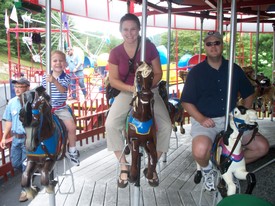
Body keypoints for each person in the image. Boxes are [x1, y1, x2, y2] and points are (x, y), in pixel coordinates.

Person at [180, 31, 270, 191]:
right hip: (206, 120)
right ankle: (208, 171)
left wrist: (242, 113)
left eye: (217, 43)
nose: (213, 46)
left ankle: (228, 166)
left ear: (222, 45)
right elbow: (186, 101)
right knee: (200, 151)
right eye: (209, 44)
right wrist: (201, 119)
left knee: (262, 147)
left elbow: (249, 93)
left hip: (231, 120)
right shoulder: (196, 72)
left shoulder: (233, 69)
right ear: (205, 47)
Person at [105, 13, 172, 188]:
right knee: (110, 124)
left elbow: (158, 72)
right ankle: (123, 164)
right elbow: (113, 79)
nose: (130, 33)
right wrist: (132, 89)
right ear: (121, 31)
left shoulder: (148, 48)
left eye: (133, 29)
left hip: (150, 92)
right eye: (126, 29)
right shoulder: (115, 52)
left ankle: (153, 164)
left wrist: (146, 88)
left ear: (139, 29)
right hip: (127, 92)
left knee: (166, 126)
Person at [42, 50, 80, 166]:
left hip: (60, 108)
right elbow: (42, 91)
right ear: (50, 63)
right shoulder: (45, 77)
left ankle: (72, 151)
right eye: (55, 60)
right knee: (33, 125)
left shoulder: (66, 77)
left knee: (72, 127)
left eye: (61, 61)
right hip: (47, 107)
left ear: (65, 63)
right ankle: (31, 150)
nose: (58, 63)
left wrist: (53, 81)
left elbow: (63, 90)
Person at [0, 78, 30, 202]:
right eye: (16, 87)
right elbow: (8, 121)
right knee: (15, 163)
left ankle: (26, 189)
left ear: (27, 88)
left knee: (24, 167)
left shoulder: (32, 102)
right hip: (16, 139)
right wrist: (4, 137)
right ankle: (30, 175)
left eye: (20, 86)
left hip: (28, 139)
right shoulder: (12, 102)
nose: (17, 89)